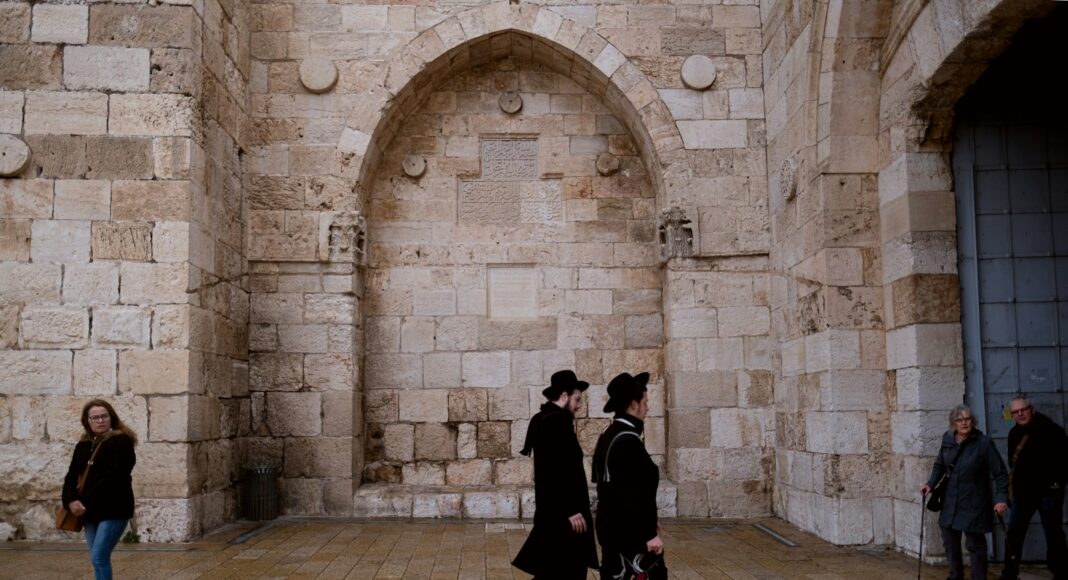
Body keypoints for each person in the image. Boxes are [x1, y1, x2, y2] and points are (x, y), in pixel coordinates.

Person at [512, 370, 598, 579]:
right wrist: (571, 509)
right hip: (564, 518)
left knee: (553, 571)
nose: (579, 406)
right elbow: (555, 472)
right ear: (564, 395)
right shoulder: (555, 422)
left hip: (555, 514)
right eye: (577, 399)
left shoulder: (545, 419)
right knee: (567, 571)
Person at [591, 371, 666, 580]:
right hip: (630, 534)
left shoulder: (608, 434)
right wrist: (650, 534)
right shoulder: (628, 441)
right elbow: (635, 493)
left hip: (610, 527)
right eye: (645, 401)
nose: (647, 407)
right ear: (633, 404)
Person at [921, 404, 1008, 580]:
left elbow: (1000, 474)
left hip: (974, 502)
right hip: (950, 501)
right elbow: (939, 465)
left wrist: (1001, 499)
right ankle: (955, 576)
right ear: (953, 423)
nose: (964, 423)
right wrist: (930, 484)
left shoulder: (983, 443)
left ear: (972, 421)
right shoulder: (948, 440)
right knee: (949, 542)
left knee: (975, 545)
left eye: (967, 419)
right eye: (959, 420)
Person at [62, 399, 138, 580]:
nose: (100, 421)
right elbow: (72, 476)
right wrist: (71, 501)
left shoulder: (121, 442)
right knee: (98, 558)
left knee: (99, 557)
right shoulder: (83, 445)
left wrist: (83, 501)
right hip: (90, 511)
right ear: (87, 421)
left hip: (114, 508)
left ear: (111, 418)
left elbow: (113, 477)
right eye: (94, 417)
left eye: (104, 416)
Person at [1000, 395, 1068, 580]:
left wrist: (1055, 486)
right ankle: (1010, 573)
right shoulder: (1014, 434)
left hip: (1048, 493)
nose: (1020, 414)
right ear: (1012, 415)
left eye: (1023, 409)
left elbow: (1064, 463)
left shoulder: (1053, 431)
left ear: (1032, 409)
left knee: (1053, 533)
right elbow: (1014, 467)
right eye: (1015, 411)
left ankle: (1061, 572)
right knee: (1013, 533)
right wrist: (1013, 492)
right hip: (1023, 494)